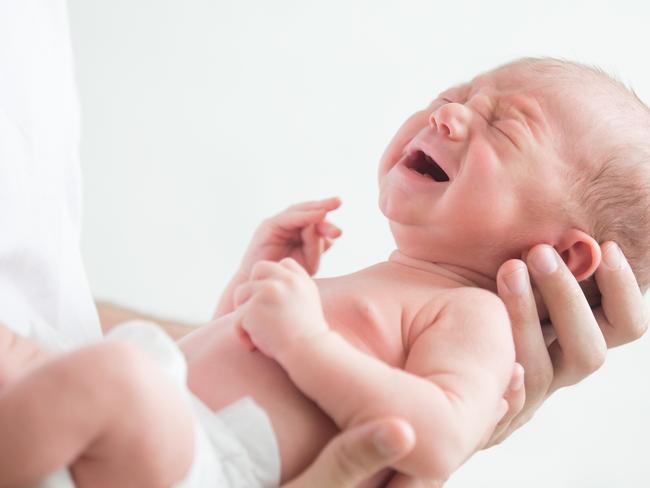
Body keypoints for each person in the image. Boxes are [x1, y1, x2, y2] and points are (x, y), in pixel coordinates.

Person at [1, 57, 649, 487]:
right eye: (452, 98)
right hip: (171, 415)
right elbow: (247, 362)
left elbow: (433, 439)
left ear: (566, 259)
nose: (445, 115)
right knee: (27, 358)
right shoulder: (394, 281)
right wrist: (253, 285)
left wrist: (303, 339)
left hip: (213, 461)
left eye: (504, 128)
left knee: (106, 377)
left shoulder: (474, 316)